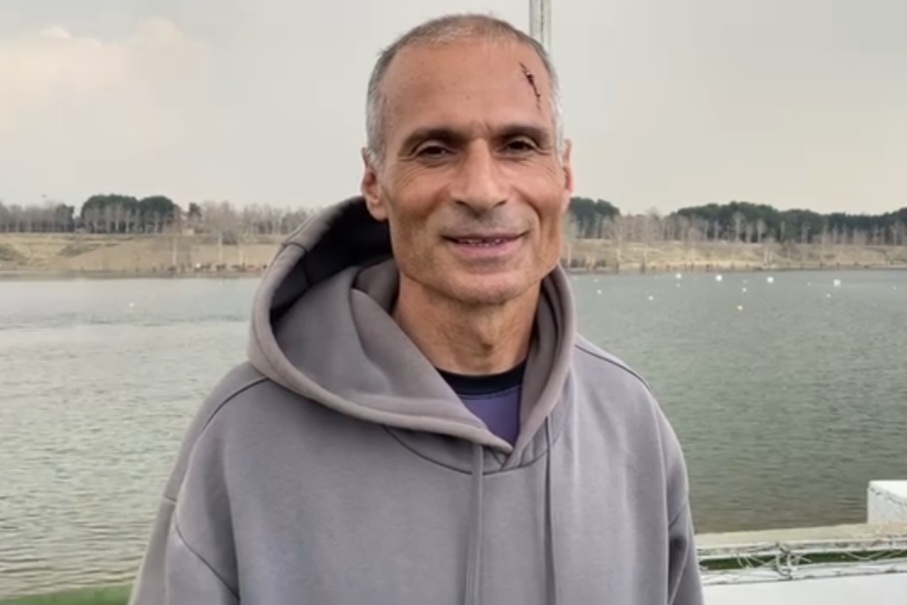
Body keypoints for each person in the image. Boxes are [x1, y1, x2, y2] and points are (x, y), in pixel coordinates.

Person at [128, 13, 703, 605]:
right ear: (375, 184)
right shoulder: (245, 436)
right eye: (435, 150)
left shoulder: (629, 421)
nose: (483, 190)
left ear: (565, 174)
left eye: (519, 146)